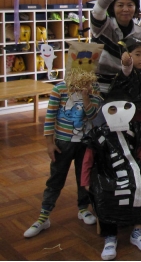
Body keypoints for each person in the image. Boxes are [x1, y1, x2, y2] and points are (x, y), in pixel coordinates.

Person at [24, 68, 101, 238]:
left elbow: (93, 117)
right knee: (56, 179)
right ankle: (44, 216)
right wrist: (49, 143)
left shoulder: (94, 89)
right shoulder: (60, 89)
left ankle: (83, 209)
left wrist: (86, 96)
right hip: (63, 143)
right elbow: (50, 117)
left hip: (85, 143)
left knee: (84, 178)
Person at [81, 95, 141, 260]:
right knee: (104, 193)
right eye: (113, 109)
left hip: (131, 170)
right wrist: (85, 180)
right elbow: (88, 159)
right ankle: (110, 236)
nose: (118, 113)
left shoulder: (133, 131)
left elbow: (140, 154)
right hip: (105, 173)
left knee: (139, 186)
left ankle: (137, 231)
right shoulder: (98, 134)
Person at [90, 0, 141, 93]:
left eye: (130, 5)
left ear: (135, 8)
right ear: (113, 7)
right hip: (99, 88)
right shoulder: (103, 27)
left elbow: (140, 64)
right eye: (120, 5)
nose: (125, 9)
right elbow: (97, 10)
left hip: (128, 89)